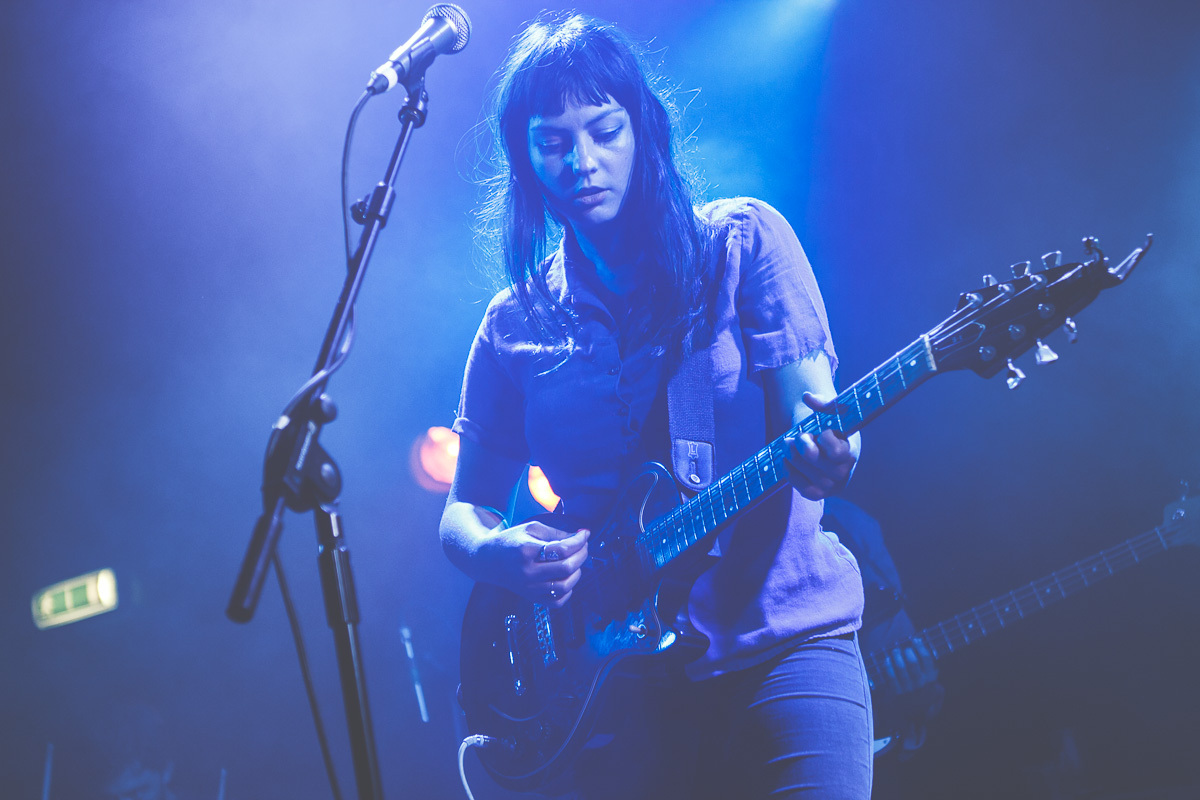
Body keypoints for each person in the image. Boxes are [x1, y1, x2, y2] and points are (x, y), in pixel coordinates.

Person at [440, 13, 869, 799]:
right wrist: (501, 553)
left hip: (785, 645)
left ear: (644, 130)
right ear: (526, 159)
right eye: (553, 142)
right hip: (619, 688)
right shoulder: (513, 323)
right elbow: (462, 510)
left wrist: (830, 458)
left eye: (605, 130)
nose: (582, 161)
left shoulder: (741, 247)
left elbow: (821, 422)